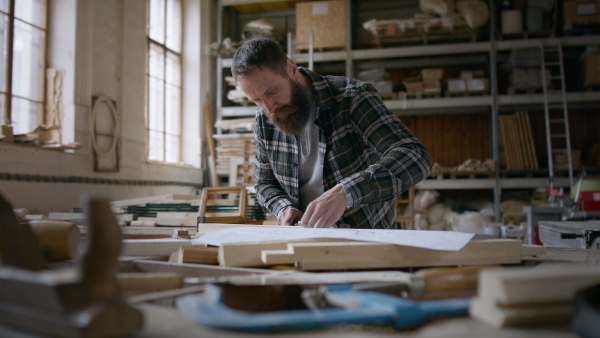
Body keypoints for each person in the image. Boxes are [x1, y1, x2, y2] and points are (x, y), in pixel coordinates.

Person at [231, 37, 432, 229]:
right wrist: (283, 207)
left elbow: (415, 156)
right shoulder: (264, 119)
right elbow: (264, 183)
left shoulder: (351, 97)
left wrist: (346, 192)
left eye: (271, 92)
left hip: (366, 240)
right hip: (305, 241)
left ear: (291, 69)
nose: (268, 108)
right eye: (256, 100)